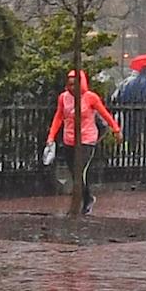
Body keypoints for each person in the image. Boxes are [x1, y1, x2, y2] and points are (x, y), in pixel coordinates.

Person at [47, 69, 122, 215]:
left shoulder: (90, 98)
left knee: (80, 171)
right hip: (69, 139)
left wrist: (116, 129)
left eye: (75, 84)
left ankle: (83, 202)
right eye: (70, 84)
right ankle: (87, 197)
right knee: (74, 174)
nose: (72, 87)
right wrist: (51, 136)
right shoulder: (63, 98)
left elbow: (104, 113)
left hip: (87, 139)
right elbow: (58, 116)